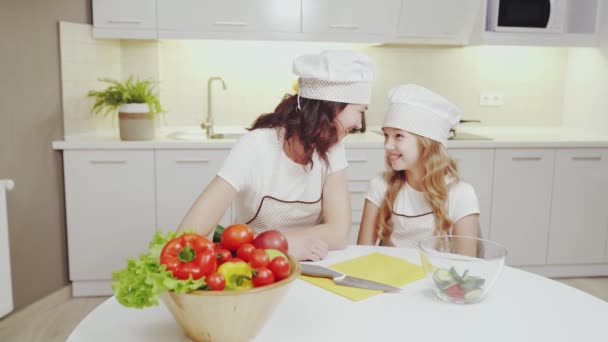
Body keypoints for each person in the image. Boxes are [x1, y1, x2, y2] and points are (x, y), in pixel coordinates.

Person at [179, 50, 376, 261]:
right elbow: (189, 232)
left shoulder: (332, 148)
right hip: (254, 266)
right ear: (332, 108)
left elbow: (338, 234)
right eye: (359, 111)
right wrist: (278, 247)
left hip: (313, 266)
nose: (358, 124)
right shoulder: (255, 146)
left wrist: (279, 243)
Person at [357, 84, 480, 255]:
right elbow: (362, 255)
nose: (388, 145)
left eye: (399, 136)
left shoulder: (460, 194)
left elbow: (466, 267)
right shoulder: (380, 186)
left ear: (426, 143)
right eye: (386, 135)